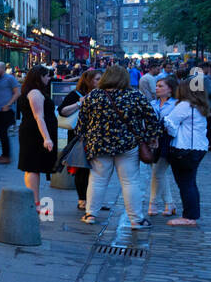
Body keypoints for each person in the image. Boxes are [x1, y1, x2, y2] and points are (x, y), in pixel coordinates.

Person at [77, 64, 162, 228]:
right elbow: (151, 119)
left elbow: (82, 124)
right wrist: (152, 137)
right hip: (127, 144)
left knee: (97, 180)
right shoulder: (134, 95)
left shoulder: (93, 96)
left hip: (99, 145)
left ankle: (90, 214)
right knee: (130, 182)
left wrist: (87, 137)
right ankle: (136, 219)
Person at [164, 78, 209, 227]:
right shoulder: (201, 105)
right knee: (190, 182)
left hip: (184, 148)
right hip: (198, 147)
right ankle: (192, 214)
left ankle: (189, 216)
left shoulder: (185, 105)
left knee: (185, 183)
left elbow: (170, 124)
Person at [58, 68, 100, 211]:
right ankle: (82, 199)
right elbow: (62, 112)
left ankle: (93, 200)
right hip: (79, 137)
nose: (100, 82)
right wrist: (79, 103)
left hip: (96, 137)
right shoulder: (75, 94)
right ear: (88, 81)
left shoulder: (101, 95)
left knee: (97, 170)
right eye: (97, 79)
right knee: (82, 169)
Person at [17, 65, 58, 207]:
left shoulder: (34, 91)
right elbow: (38, 117)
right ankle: (35, 202)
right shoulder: (35, 93)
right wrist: (46, 138)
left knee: (33, 167)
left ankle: (34, 200)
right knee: (33, 167)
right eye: (46, 75)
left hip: (33, 132)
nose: (49, 78)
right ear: (39, 77)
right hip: (34, 134)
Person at [148, 76, 179, 217]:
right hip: (153, 141)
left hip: (168, 142)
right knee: (159, 173)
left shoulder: (176, 104)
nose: (157, 88)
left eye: (161, 86)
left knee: (158, 172)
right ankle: (169, 203)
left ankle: (153, 203)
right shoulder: (152, 103)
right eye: (157, 86)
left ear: (170, 90)